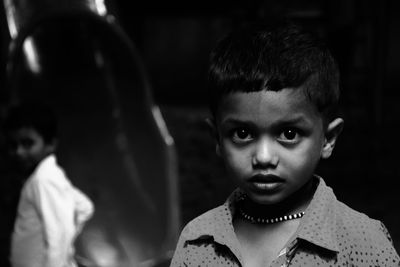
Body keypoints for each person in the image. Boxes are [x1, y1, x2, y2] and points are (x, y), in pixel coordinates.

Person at [170, 22, 400, 266]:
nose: (264, 157)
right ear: (217, 137)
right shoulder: (197, 242)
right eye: (242, 133)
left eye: (289, 133)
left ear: (328, 139)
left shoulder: (363, 243)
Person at [4, 102, 94, 267]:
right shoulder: (46, 175)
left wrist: (61, 252)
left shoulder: (43, 180)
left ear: (50, 144)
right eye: (13, 145)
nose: (18, 152)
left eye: (27, 143)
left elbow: (59, 234)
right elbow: (84, 207)